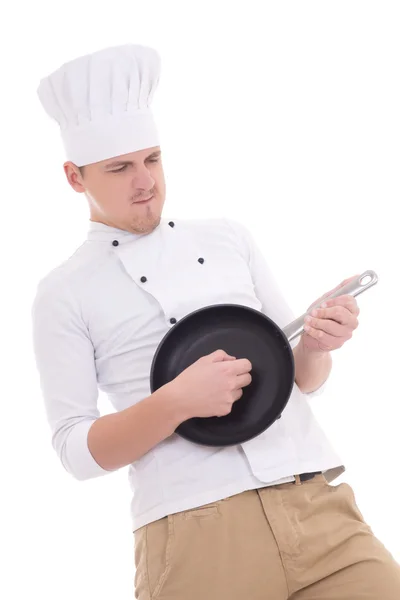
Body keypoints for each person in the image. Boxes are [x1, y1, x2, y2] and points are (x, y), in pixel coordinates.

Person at [32, 44, 400, 600]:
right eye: (120, 167)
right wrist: (176, 401)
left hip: (317, 507)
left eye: (152, 159)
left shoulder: (228, 238)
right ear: (74, 177)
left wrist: (319, 345)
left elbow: (300, 379)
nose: (145, 182)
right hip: (194, 533)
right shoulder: (63, 292)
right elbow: (76, 452)